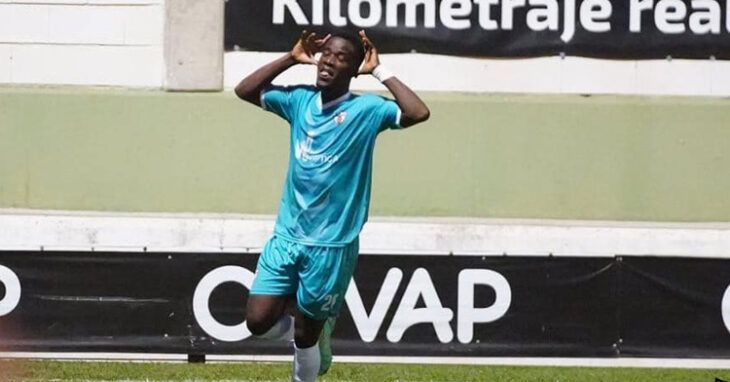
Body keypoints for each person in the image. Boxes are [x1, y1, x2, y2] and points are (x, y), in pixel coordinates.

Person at [234, 29, 430, 382]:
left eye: (341, 57)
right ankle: (313, 326)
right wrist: (289, 59)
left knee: (305, 338)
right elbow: (244, 91)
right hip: (287, 237)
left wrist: (379, 72)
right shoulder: (299, 101)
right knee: (258, 322)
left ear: (354, 68)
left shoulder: (367, 110)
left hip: (332, 244)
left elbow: (418, 112)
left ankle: (313, 345)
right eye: (327, 54)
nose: (329, 61)